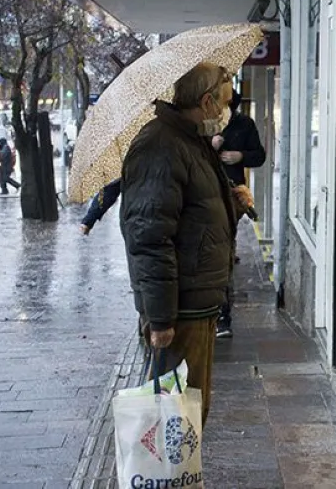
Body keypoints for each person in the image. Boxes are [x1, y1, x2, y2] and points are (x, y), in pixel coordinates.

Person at [120, 62, 251, 427]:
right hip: (179, 310)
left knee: (190, 410)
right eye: (224, 103)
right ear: (206, 101)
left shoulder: (190, 140)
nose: (226, 112)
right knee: (175, 419)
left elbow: (196, 218)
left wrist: (233, 205)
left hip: (198, 301)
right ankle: (168, 483)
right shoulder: (160, 146)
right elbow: (149, 237)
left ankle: (181, 480)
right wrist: (161, 318)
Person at [212, 90, 266, 339]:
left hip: (232, 198)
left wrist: (240, 156)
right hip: (203, 197)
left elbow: (260, 156)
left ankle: (223, 317)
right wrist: (209, 146)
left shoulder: (244, 124)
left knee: (223, 254)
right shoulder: (201, 125)